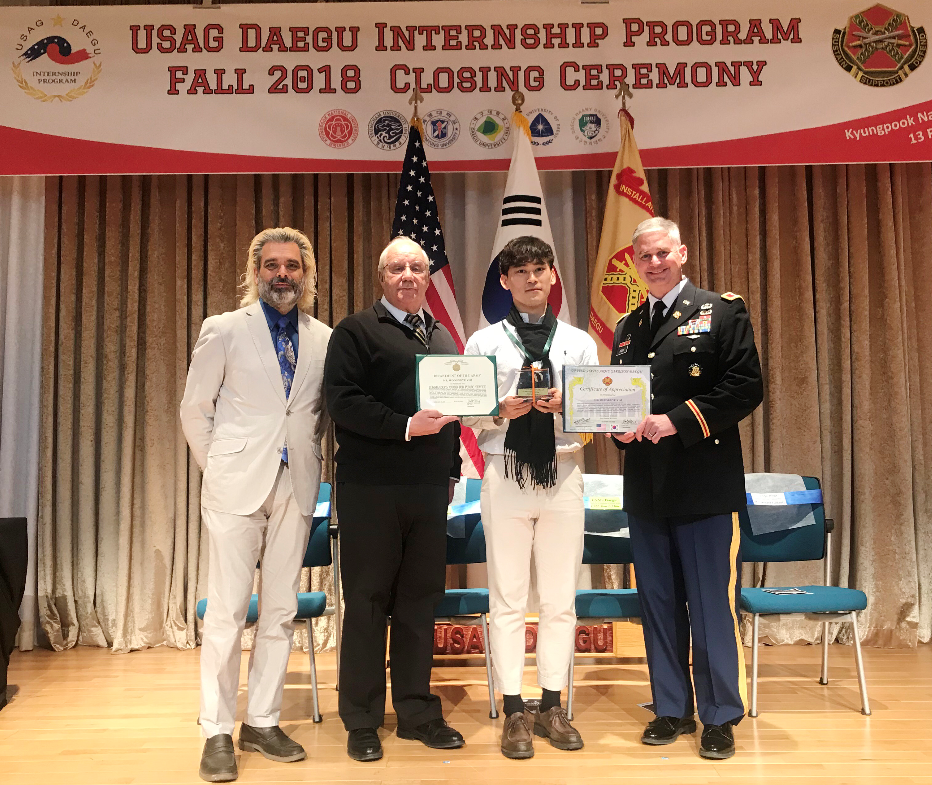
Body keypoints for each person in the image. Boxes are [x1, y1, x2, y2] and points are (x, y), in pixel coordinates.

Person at [180, 227, 332, 782]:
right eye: (272, 265)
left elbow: (316, 415)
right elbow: (195, 409)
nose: (282, 274)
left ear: (306, 274)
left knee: (280, 610)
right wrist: (220, 467)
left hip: (297, 487)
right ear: (255, 271)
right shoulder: (223, 329)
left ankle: (262, 720)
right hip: (235, 488)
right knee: (226, 612)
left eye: (292, 265)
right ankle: (217, 730)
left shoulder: (324, 337)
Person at [609, 216, 763, 760]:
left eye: (662, 253)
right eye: (644, 256)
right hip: (646, 487)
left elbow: (745, 386)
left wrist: (676, 421)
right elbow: (620, 398)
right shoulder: (628, 326)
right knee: (658, 602)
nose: (654, 263)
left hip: (703, 485)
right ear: (635, 262)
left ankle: (719, 715)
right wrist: (617, 426)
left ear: (682, 253)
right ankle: (671, 708)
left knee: (710, 604)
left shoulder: (721, 311)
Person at [323, 236, 465, 762]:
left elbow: (452, 411)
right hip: (370, 489)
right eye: (397, 268)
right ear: (382, 277)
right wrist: (405, 426)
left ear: (428, 277)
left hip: (428, 491)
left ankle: (416, 712)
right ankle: (361, 719)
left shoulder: (443, 336)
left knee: (419, 602)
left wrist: (450, 469)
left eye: (417, 268)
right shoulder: (356, 331)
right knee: (367, 602)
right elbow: (342, 401)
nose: (408, 275)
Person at [463, 236, 598, 759]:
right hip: (505, 473)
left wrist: (570, 408)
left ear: (552, 276)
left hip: (563, 472)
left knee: (561, 598)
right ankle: (514, 708)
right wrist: (498, 411)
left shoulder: (578, 343)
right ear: (505, 281)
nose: (532, 278)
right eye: (521, 271)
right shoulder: (482, 342)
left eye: (540, 269)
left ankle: (553, 705)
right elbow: (466, 414)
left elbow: (599, 416)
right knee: (508, 598)